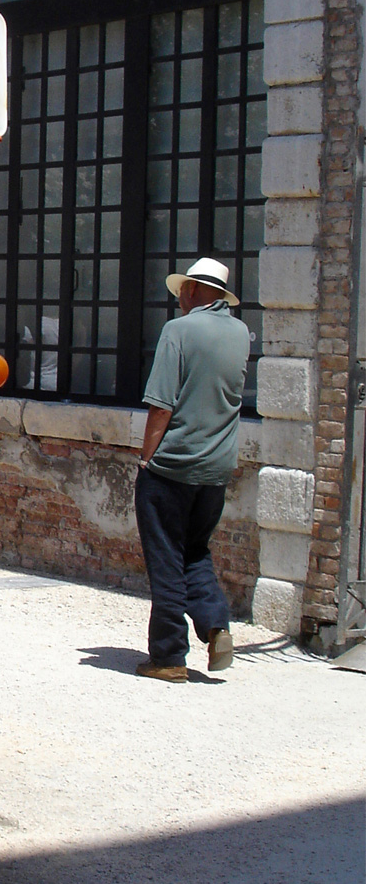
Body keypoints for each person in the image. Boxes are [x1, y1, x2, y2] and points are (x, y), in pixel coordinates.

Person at [134, 257, 252, 683]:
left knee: (165, 557)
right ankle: (215, 624)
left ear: (198, 291)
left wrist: (147, 458)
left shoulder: (178, 331)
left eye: (184, 289)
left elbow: (162, 403)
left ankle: (168, 655)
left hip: (173, 465)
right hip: (216, 468)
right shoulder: (240, 334)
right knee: (195, 551)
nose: (180, 296)